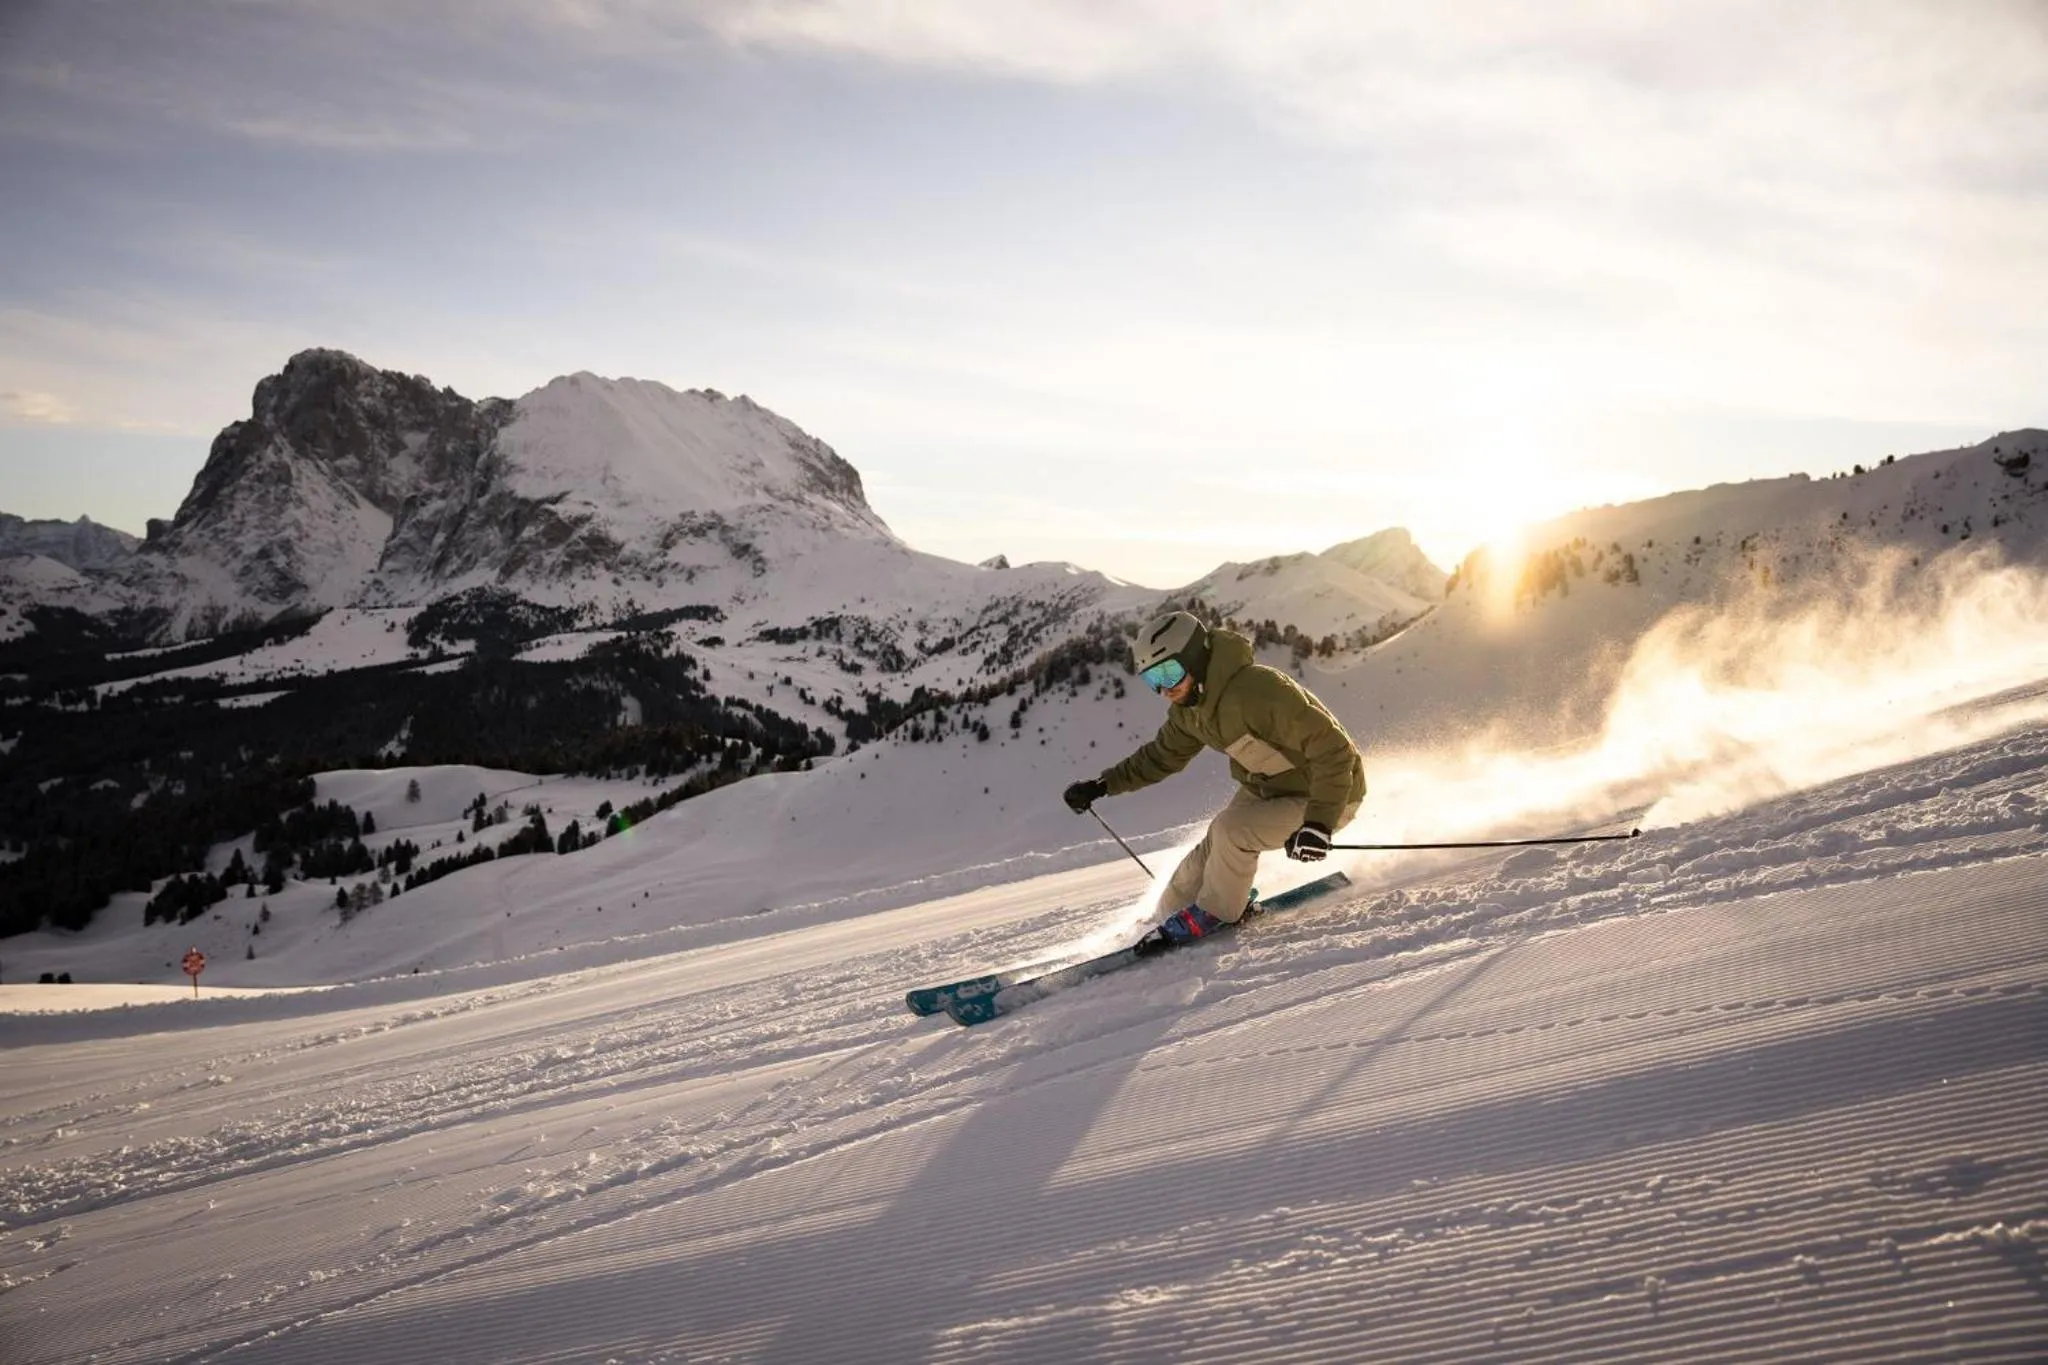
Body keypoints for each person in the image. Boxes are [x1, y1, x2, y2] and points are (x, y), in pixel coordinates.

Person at [1064, 610, 1366, 946]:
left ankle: (1219, 912)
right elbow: (1160, 756)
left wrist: (1319, 823)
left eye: (1170, 672)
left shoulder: (1259, 691)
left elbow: (1336, 750)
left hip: (1329, 795)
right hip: (1270, 789)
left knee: (1232, 831)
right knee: (1195, 869)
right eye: (1153, 680)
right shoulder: (1190, 712)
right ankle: (1171, 914)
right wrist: (1103, 785)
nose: (1165, 689)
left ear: (1195, 659)